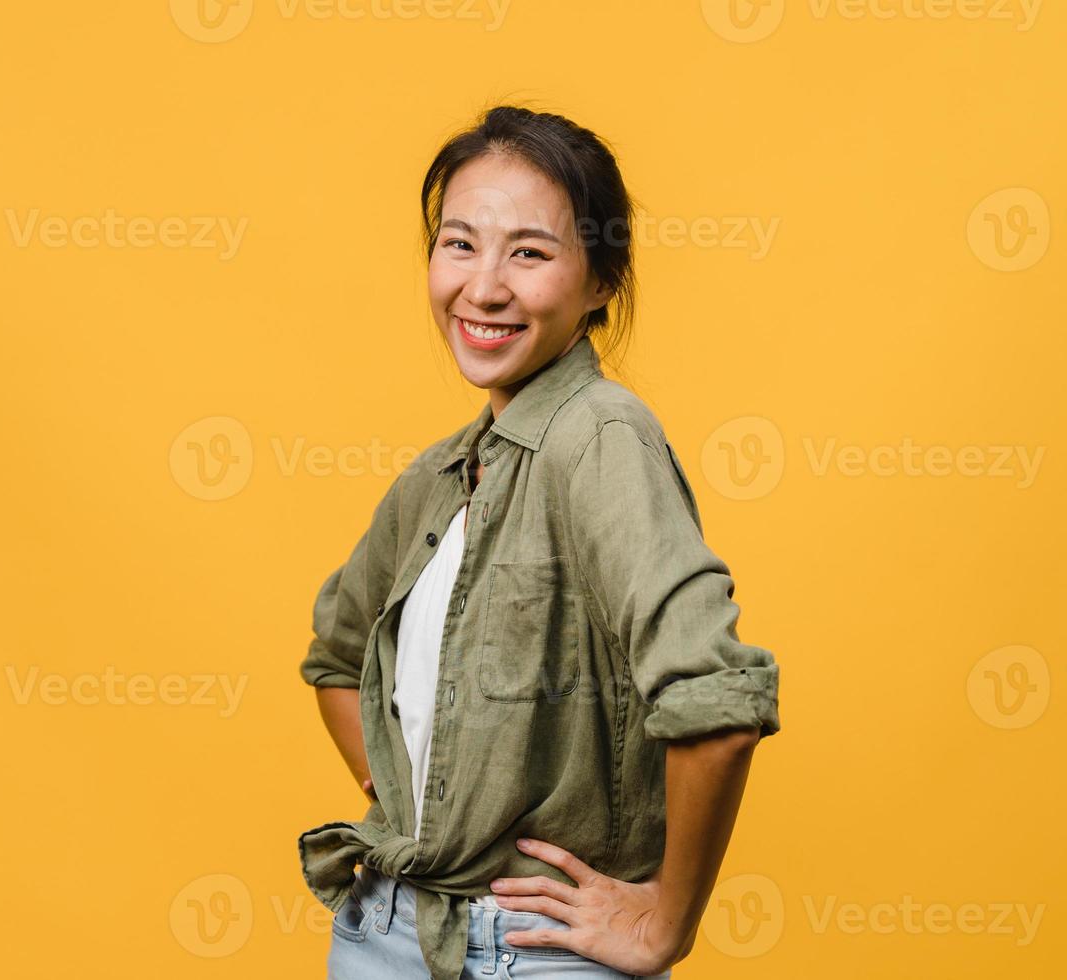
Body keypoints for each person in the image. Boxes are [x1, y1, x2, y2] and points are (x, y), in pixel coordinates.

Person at [298, 104, 781, 980]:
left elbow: (717, 702)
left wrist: (662, 924)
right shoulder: (440, 474)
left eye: (529, 251)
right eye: (458, 244)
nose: (484, 287)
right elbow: (336, 658)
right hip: (384, 931)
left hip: (526, 954)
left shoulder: (601, 438)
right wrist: (425, 810)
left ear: (601, 280)